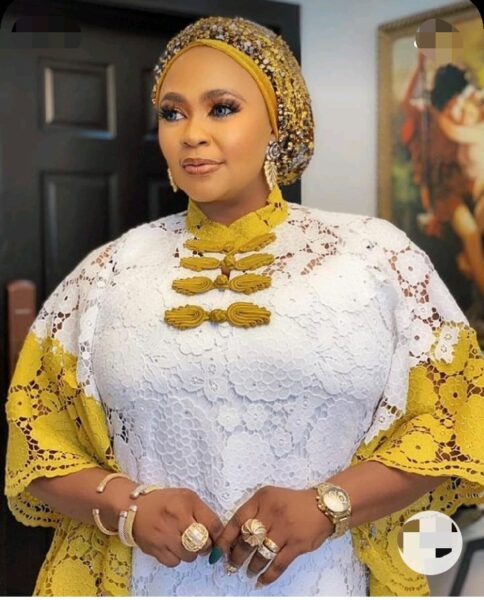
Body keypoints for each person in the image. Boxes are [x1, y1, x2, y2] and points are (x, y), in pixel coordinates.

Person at [4, 15, 484, 597]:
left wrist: (329, 505)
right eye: (173, 113)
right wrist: (128, 509)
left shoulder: (377, 258)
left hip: (327, 582)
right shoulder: (107, 273)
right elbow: (37, 443)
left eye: (222, 108)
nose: (191, 133)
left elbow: (456, 421)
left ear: (278, 122)